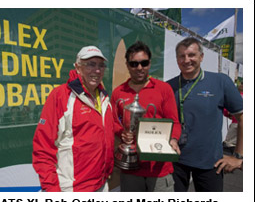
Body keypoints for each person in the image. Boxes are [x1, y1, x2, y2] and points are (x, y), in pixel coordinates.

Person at [32, 46, 114, 192]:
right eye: (90, 64)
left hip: (101, 185)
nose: (97, 70)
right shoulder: (60, 96)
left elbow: (105, 131)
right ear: (77, 67)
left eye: (101, 65)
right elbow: (43, 148)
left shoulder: (103, 97)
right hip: (72, 189)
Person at [166, 37, 243, 192]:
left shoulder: (220, 81)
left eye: (191, 55)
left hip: (210, 164)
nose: (186, 60)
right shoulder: (169, 86)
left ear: (201, 57)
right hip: (175, 161)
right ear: (176, 59)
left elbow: (243, 117)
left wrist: (238, 157)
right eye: (182, 56)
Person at [111, 41, 181, 192]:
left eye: (144, 63)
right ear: (127, 65)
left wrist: (173, 140)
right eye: (134, 64)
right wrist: (121, 133)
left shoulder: (163, 89)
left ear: (149, 63)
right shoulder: (118, 92)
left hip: (158, 167)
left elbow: (174, 122)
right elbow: (113, 121)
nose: (139, 68)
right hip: (130, 167)